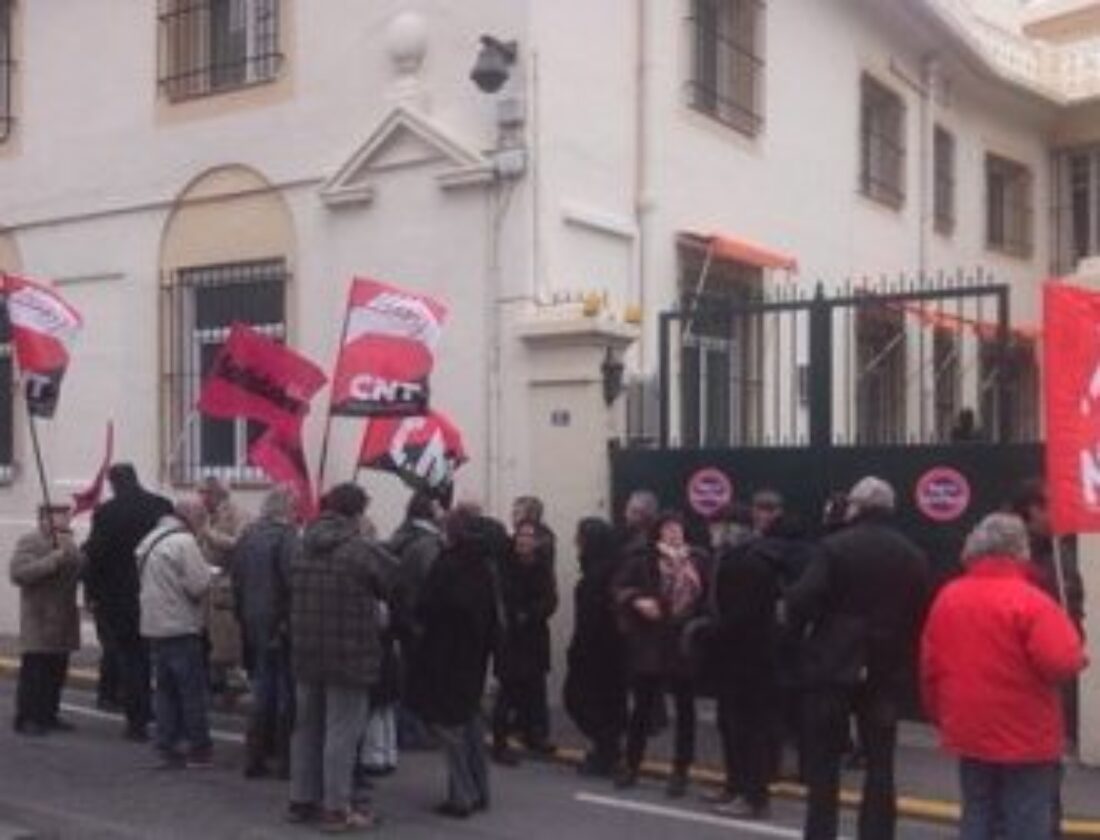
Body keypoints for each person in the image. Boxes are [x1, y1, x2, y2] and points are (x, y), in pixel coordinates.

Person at [921, 514, 1086, 840]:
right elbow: (1059, 663)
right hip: (1026, 733)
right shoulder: (1032, 601)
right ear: (1019, 550)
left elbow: (930, 665)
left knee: (978, 810)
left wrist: (939, 715)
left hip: (968, 727)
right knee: (1026, 817)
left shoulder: (948, 596)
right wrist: (1078, 656)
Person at [787, 476, 930, 840]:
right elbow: (920, 612)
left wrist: (809, 630)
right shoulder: (911, 554)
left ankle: (821, 833)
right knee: (881, 763)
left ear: (857, 507)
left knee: (824, 765)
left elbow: (802, 599)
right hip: (885, 667)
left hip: (833, 664)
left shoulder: (834, 547)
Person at [286, 483, 392, 832]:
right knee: (341, 733)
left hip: (305, 649)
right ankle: (336, 807)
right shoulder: (359, 550)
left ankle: (302, 799)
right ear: (358, 513)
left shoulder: (301, 545)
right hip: (349, 652)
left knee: (307, 729)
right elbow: (393, 582)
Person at [406, 509, 500, 819]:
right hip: (476, 654)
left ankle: (462, 795)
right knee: (471, 722)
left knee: (450, 728)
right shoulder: (485, 566)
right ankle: (479, 789)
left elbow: (426, 608)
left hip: (444, 655)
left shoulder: (447, 565)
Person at [613, 510, 706, 798]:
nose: (674, 532)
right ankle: (631, 763)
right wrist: (637, 600)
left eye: (677, 527)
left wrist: (700, 625)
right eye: (667, 528)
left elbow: (709, 596)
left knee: (685, 710)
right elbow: (618, 588)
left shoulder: (699, 559)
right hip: (652, 640)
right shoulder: (643, 560)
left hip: (683, 641)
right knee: (642, 706)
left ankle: (680, 770)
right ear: (658, 533)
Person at [83, 463, 173, 741]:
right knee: (159, 657)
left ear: (113, 483)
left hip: (119, 597)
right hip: (158, 592)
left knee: (131, 658)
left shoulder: (107, 513)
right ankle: (168, 717)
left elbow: (95, 556)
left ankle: (137, 720)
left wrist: (91, 592)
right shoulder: (161, 505)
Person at [708, 508, 781, 818]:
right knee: (730, 725)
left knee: (747, 729)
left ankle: (753, 795)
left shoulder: (746, 564)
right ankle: (735, 785)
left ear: (731, 529)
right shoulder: (733, 560)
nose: (711, 533)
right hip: (737, 659)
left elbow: (741, 615)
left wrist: (709, 633)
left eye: (716, 527)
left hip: (748, 660)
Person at [137, 497, 215, 769]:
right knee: (191, 691)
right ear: (189, 516)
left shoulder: (150, 539)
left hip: (154, 626)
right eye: (201, 517)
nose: (203, 522)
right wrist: (211, 575)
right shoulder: (184, 542)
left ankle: (166, 745)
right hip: (181, 625)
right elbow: (198, 585)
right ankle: (198, 747)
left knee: (165, 691)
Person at [231, 484, 299, 779]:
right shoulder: (287, 539)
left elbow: (237, 581)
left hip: (253, 620)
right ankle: (285, 760)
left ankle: (255, 756)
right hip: (281, 624)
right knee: (285, 693)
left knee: (261, 690)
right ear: (286, 510)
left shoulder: (247, 537)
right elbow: (292, 583)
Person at [563, 517, 628, 777]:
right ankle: (607, 750)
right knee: (605, 703)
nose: (576, 543)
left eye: (580, 538)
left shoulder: (597, 577)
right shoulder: (607, 570)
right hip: (611, 653)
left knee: (582, 700)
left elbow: (591, 621)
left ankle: (606, 752)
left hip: (597, 653)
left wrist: (578, 650)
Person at [11, 504, 83, 736]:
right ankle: (27, 718)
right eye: (61, 515)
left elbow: (79, 570)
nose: (67, 519)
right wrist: (52, 559)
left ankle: (49, 714)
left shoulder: (69, 542)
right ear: (46, 519)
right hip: (40, 617)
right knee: (35, 673)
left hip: (64, 617)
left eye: (67, 515)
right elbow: (19, 573)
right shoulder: (30, 541)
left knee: (56, 672)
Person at [491, 519, 559, 763]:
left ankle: (534, 736)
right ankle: (499, 744)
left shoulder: (542, 566)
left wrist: (531, 613)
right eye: (521, 535)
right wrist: (514, 615)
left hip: (534, 636)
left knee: (534, 689)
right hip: (509, 637)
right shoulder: (503, 565)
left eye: (530, 536)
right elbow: (500, 596)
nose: (524, 540)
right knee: (507, 692)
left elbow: (550, 599)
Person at [387, 490, 445, 751]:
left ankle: (404, 728)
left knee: (405, 675)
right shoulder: (429, 543)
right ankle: (413, 730)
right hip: (420, 619)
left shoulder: (399, 536)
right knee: (418, 678)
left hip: (401, 615)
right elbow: (431, 583)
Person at [196, 477, 246, 701]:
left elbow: (238, 544)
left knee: (226, 641)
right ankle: (212, 683)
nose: (202, 498)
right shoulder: (204, 516)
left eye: (205, 493)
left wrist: (209, 534)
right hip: (204, 584)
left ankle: (231, 685)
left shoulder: (236, 514)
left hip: (225, 584)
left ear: (217, 494)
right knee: (205, 638)